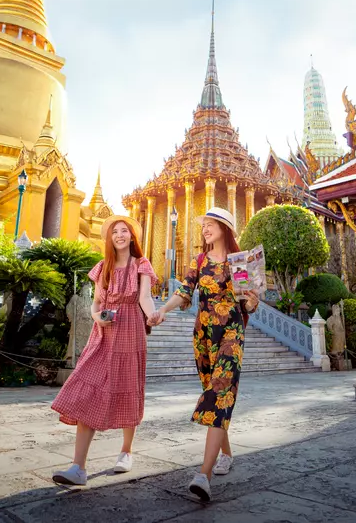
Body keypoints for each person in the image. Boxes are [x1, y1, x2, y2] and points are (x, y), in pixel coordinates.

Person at [153, 207, 260, 502]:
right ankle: (226, 453)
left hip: (230, 334)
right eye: (204, 225)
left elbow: (248, 304)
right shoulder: (199, 261)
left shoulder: (238, 262)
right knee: (213, 392)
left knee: (220, 391)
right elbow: (185, 291)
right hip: (203, 335)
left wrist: (251, 302)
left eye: (211, 225)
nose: (206, 229)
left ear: (225, 229)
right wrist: (162, 309)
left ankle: (204, 474)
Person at [50, 216, 159, 485]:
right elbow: (96, 302)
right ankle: (78, 467)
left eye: (125, 231)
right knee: (88, 388)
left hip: (131, 330)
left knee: (127, 387)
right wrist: (97, 317)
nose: (120, 235)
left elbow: (144, 297)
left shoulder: (141, 265)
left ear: (133, 236)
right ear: (109, 238)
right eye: (115, 232)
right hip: (103, 334)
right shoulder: (103, 268)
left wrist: (153, 315)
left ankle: (126, 451)